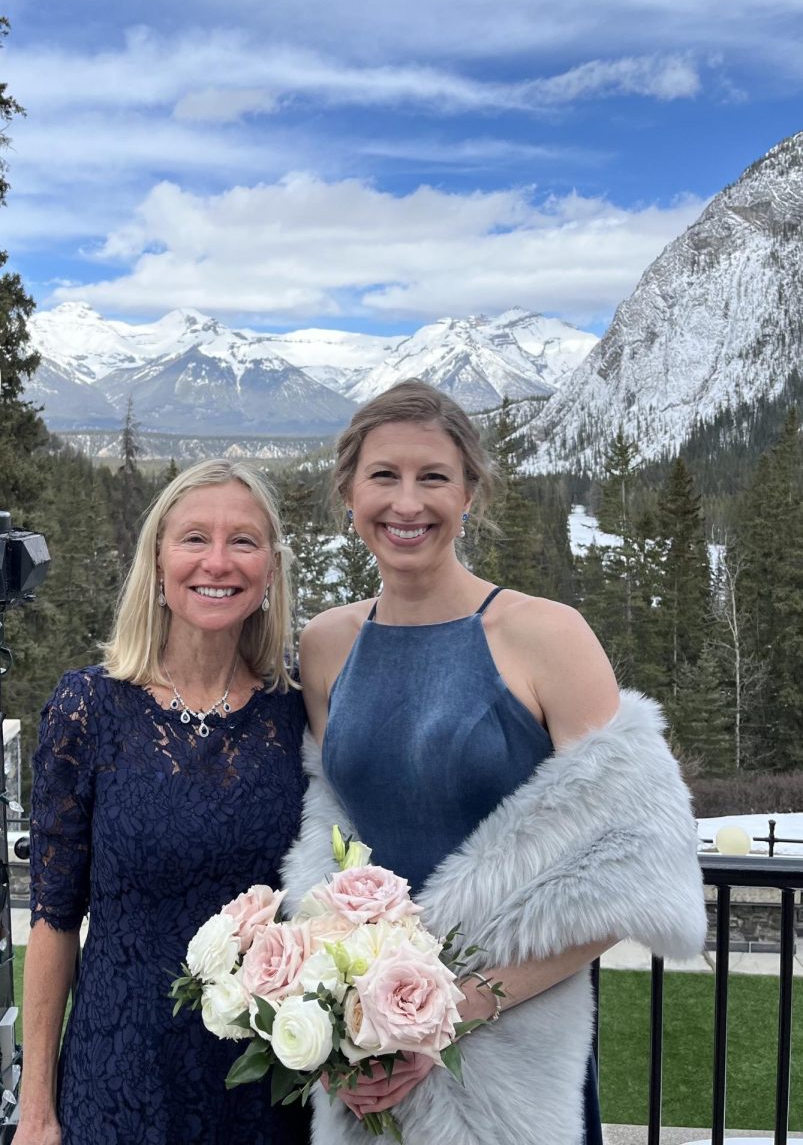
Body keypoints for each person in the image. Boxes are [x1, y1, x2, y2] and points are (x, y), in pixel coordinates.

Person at [281, 380, 706, 1145]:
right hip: (366, 1057)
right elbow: (335, 839)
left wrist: (449, 1009)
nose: (406, 504)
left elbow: (634, 866)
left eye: (433, 477)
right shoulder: (326, 644)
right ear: (348, 491)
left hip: (512, 1057)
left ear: (470, 492)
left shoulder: (547, 635)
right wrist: (347, 1006)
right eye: (383, 476)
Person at [18, 459, 311, 1145]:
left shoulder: (299, 713)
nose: (218, 561)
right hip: (118, 1075)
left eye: (243, 541)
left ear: (270, 569)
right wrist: (36, 1111)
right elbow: (54, 920)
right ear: (156, 560)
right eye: (193, 539)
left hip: (266, 1082)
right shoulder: (88, 708)